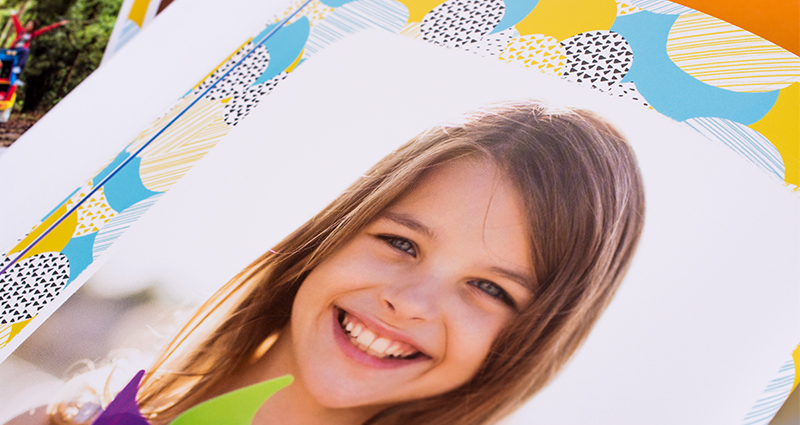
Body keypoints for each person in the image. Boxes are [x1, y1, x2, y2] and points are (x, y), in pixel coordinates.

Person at [23, 100, 646, 425]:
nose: (410, 301)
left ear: (530, 341)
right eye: (401, 243)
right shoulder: (69, 416)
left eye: (488, 287)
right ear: (332, 234)